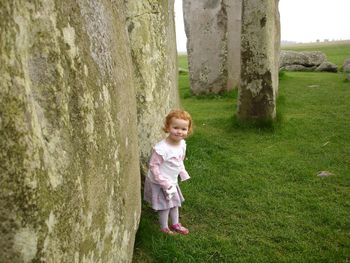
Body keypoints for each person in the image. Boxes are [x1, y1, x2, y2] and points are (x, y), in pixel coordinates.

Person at [144, 109, 193, 235]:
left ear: (188, 130)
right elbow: (153, 166)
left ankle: (176, 223)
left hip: (172, 180)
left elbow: (179, 159)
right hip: (160, 182)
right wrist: (164, 182)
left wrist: (182, 172)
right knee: (165, 206)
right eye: (175, 127)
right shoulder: (162, 149)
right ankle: (164, 227)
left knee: (175, 203)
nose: (179, 132)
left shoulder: (182, 144)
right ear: (167, 127)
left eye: (183, 129)